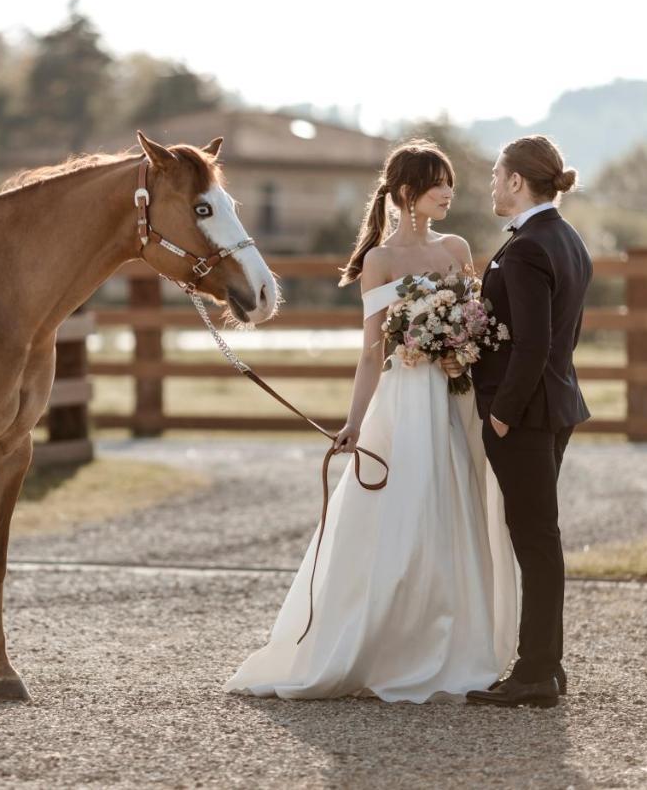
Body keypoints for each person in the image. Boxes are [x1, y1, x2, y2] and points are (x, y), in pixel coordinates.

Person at [224, 139, 518, 702]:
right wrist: (354, 424)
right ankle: (385, 644)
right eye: (438, 183)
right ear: (408, 192)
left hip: (454, 399)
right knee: (401, 517)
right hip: (404, 401)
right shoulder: (379, 262)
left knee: (453, 512)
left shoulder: (457, 248)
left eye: (450, 182)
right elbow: (369, 352)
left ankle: (455, 642)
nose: (449, 193)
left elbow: (478, 323)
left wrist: (462, 347)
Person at [466, 135, 592, 709]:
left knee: (536, 541)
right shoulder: (567, 239)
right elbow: (564, 338)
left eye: (496, 174)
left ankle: (537, 670)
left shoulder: (526, 248)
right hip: (556, 405)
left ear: (517, 181)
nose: (492, 183)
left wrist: (501, 415)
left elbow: (535, 343)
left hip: (527, 415)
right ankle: (546, 665)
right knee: (541, 539)